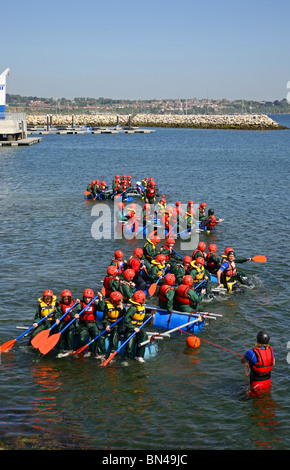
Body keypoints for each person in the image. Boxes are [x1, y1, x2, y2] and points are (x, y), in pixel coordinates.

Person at [124, 290, 153, 362]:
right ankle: (127, 359)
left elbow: (141, 316)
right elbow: (126, 320)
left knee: (144, 336)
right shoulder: (133, 308)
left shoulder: (141, 306)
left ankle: (139, 356)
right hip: (131, 328)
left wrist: (148, 315)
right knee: (130, 342)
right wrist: (133, 328)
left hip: (139, 327)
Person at [76, 288, 104, 357]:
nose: (87, 299)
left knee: (96, 334)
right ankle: (80, 351)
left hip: (92, 323)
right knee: (82, 338)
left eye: (88, 298)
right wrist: (75, 314)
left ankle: (91, 351)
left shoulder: (94, 303)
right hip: (83, 324)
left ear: (91, 298)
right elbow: (74, 311)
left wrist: (100, 299)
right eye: (85, 298)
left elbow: (101, 308)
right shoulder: (80, 304)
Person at [98, 291, 127, 359]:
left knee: (115, 334)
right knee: (101, 336)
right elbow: (104, 319)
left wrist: (122, 310)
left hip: (117, 325)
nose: (121, 301)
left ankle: (112, 352)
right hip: (109, 324)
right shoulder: (107, 307)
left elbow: (125, 316)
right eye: (119, 300)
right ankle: (102, 353)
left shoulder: (122, 307)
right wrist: (106, 325)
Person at [55, 289, 81, 357]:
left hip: (71, 323)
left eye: (67, 299)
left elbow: (78, 308)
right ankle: (61, 350)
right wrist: (57, 318)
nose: (66, 300)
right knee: (61, 333)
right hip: (63, 322)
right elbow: (58, 313)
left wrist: (75, 314)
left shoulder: (75, 303)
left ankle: (70, 350)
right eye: (64, 299)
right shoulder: (60, 305)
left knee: (70, 332)